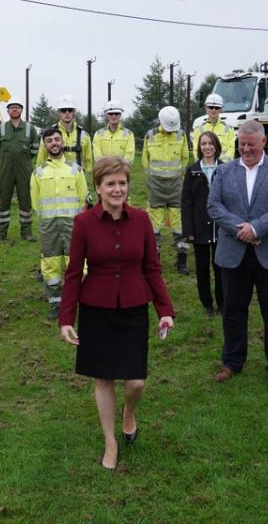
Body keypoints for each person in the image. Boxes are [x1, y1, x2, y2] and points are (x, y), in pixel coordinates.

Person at [59, 156, 175, 471]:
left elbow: (152, 268)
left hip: (135, 309)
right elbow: (72, 273)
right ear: (97, 187)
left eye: (122, 183)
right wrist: (66, 319)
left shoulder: (141, 220)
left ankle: (129, 412)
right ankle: (110, 440)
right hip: (97, 310)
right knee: (104, 379)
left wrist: (164, 310)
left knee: (136, 382)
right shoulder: (83, 223)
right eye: (110, 183)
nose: (117, 189)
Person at [207, 120, 268, 390]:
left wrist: (257, 228)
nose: (245, 149)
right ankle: (232, 361)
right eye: (241, 144)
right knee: (233, 310)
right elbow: (214, 205)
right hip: (234, 252)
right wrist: (241, 230)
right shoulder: (223, 172)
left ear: (263, 142)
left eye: (250, 144)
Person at [31, 126, 88, 320]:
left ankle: (80, 300)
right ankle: (56, 303)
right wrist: (47, 218)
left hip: (73, 226)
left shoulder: (75, 170)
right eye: (49, 141)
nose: (54, 143)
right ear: (45, 145)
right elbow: (35, 202)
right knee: (50, 264)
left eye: (57, 139)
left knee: (76, 263)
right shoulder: (38, 173)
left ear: (63, 142)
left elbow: (83, 199)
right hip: (49, 226)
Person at [142, 105, 191, 275]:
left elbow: (185, 158)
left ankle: (182, 260)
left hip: (176, 185)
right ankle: (155, 260)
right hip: (156, 185)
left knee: (179, 224)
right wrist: (152, 180)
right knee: (154, 225)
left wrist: (180, 177)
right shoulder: (150, 135)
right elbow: (145, 160)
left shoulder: (181, 135)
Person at [181, 130, 224, 318]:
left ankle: (223, 303)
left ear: (216, 146)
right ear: (199, 147)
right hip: (198, 228)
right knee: (202, 268)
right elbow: (186, 202)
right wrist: (188, 230)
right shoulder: (192, 171)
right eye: (203, 144)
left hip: (220, 228)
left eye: (210, 143)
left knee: (221, 268)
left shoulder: (224, 169)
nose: (207, 147)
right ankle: (207, 303)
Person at [0, 97, 39, 242]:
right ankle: (1, 234)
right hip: (4, 171)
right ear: (8, 110)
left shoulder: (29, 129)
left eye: (17, 107)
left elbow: (34, 150)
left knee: (25, 201)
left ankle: (26, 233)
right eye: (12, 107)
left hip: (24, 171)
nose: (14, 109)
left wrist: (22, 160)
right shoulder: (0, 129)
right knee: (3, 201)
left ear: (21, 110)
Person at [36, 94, 94, 175]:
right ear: (58, 113)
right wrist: (39, 177)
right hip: (54, 178)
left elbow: (88, 161)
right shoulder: (49, 134)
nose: (67, 113)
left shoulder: (84, 135)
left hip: (77, 179)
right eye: (63, 110)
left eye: (70, 110)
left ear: (74, 112)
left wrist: (87, 177)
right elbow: (41, 158)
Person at [192, 94, 235, 162]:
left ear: (221, 109)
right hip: (204, 168)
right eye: (211, 107)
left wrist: (222, 166)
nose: (214, 110)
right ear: (206, 108)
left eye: (217, 107)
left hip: (222, 169)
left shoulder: (229, 129)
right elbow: (196, 151)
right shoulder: (198, 130)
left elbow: (231, 151)